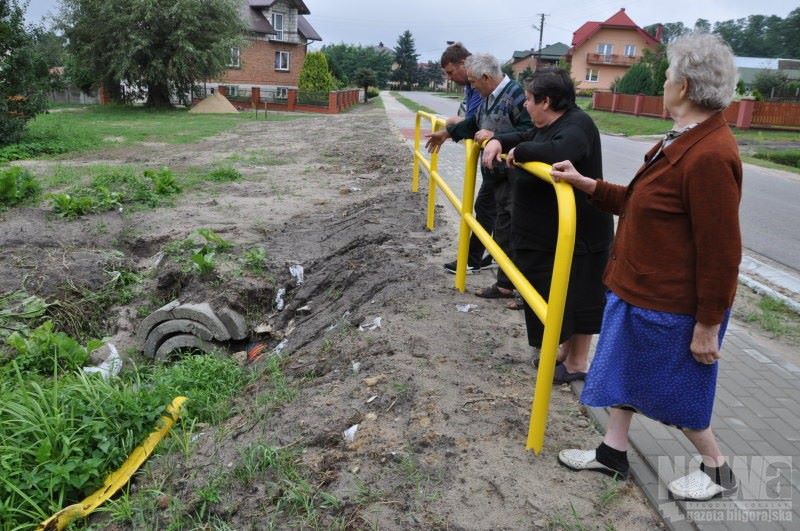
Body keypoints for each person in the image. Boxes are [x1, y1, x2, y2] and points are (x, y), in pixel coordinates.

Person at [550, 33, 742, 501]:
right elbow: (639, 204)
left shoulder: (711, 156)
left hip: (673, 305)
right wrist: (585, 183)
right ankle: (612, 453)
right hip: (638, 289)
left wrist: (707, 325)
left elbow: (722, 251)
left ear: (687, 87)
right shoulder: (681, 140)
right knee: (622, 372)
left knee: (677, 394)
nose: (664, 83)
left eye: (670, 75)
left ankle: (718, 470)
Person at [482, 67, 613, 384]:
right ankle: (563, 350)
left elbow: (558, 150)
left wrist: (520, 152)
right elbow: (528, 136)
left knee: (582, 298)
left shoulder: (578, 126)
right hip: (553, 234)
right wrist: (498, 140)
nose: (525, 105)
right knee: (561, 294)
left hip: (582, 233)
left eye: (529, 99)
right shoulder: (551, 124)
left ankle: (577, 363)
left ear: (547, 101)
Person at [426, 54, 532, 298]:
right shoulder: (488, 97)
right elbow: (474, 123)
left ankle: (506, 284)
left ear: (486, 77)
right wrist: (447, 133)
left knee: (507, 228)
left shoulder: (516, 96)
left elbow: (529, 132)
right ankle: (474, 260)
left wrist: (494, 136)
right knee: (482, 211)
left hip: (512, 177)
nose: (471, 86)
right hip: (494, 173)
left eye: (474, 81)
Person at [439, 42, 482, 126]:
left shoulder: (480, 83)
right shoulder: (469, 85)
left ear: (463, 64)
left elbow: (470, 124)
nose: (449, 78)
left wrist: (452, 120)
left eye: (450, 72)